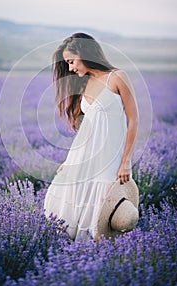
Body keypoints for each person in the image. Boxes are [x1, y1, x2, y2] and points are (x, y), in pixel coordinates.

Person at [44, 33, 139, 240]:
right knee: (71, 205)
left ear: (84, 53)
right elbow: (87, 129)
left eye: (71, 61)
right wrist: (70, 161)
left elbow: (133, 120)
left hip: (109, 160)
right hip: (83, 158)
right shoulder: (84, 82)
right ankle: (75, 260)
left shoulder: (117, 77)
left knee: (102, 210)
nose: (70, 68)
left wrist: (126, 161)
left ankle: (103, 261)